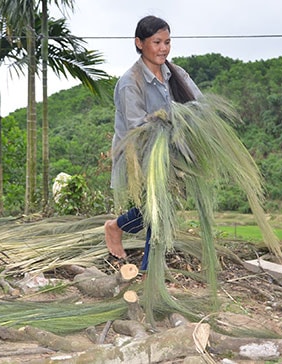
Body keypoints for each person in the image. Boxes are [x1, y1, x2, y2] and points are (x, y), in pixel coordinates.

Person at [104, 15, 202, 270]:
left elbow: (198, 103)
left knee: (157, 210)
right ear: (139, 43)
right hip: (138, 155)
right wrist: (170, 120)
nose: (163, 48)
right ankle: (149, 274)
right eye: (156, 42)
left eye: (167, 42)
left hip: (169, 153)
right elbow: (138, 127)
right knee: (157, 213)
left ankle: (117, 226)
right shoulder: (130, 82)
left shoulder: (176, 73)